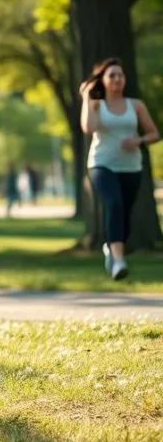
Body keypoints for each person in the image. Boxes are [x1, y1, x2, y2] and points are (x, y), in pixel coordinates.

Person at [80, 57, 159, 281]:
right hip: (101, 164)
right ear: (103, 81)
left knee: (124, 214)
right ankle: (119, 261)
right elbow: (88, 127)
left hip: (131, 166)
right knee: (114, 204)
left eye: (120, 75)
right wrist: (86, 96)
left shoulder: (136, 105)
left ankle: (112, 249)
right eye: (111, 75)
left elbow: (154, 134)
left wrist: (139, 141)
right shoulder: (96, 105)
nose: (117, 79)